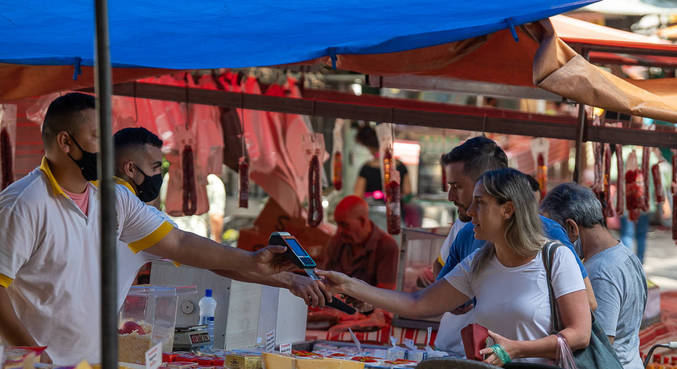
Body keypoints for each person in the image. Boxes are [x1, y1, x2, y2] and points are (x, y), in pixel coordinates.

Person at [0, 93, 314, 365]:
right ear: (66, 142)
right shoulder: (24, 203)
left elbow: (178, 242)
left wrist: (252, 260)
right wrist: (36, 358)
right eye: (97, 137)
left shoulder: (113, 198)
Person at [319, 169, 591, 366]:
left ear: (508, 210)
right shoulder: (479, 262)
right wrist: (349, 285)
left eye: (480, 203)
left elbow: (579, 334)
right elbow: (417, 303)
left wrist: (516, 350)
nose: (470, 211)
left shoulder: (555, 257)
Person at [113, 127, 333, 312]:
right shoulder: (124, 201)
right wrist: (256, 261)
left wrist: (289, 280)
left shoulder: (97, 194)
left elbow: (211, 261)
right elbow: (185, 245)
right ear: (130, 168)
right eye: (154, 168)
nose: (158, 176)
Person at [434, 137, 596, 356]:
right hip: (459, 353)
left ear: (488, 183)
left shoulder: (549, 237)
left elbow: (586, 305)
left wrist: (527, 327)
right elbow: (435, 294)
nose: (451, 196)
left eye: (457, 186)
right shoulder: (465, 233)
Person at [541, 183, 648, 369]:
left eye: (553, 233)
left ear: (571, 228)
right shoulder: (626, 254)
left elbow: (600, 346)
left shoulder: (599, 273)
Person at [321, 195, 399, 290]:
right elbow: (325, 279)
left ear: (362, 221)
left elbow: (387, 294)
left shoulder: (386, 246)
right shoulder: (337, 240)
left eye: (345, 225)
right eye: (338, 224)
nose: (340, 230)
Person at [353, 125, 412, 201]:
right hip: (395, 210)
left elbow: (358, 194)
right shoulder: (401, 166)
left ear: (370, 148)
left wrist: (373, 195)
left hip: (372, 210)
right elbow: (408, 192)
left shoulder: (366, 168)